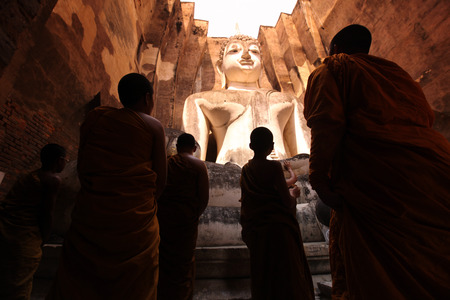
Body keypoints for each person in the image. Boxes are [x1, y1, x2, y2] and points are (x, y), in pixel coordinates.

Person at [304, 24, 450, 299]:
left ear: (334, 49)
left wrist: (319, 179)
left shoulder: (332, 69)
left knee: (381, 274)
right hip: (435, 169)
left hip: (378, 180)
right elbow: (426, 118)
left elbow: (326, 124)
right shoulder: (399, 76)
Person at [46, 73, 167, 300]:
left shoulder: (97, 117)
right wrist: (143, 204)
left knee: (81, 281)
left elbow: (84, 166)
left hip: (91, 215)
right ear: (147, 97)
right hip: (135, 219)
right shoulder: (153, 126)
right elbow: (161, 180)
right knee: (133, 286)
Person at [182, 34, 310, 167]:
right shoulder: (199, 100)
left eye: (254, 51)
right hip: (229, 174)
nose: (246, 56)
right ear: (220, 67)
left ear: (262, 67)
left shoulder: (288, 100)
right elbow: (191, 158)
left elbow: (307, 155)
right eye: (234, 50)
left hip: (282, 171)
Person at [239, 127, 315, 300]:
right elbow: (286, 201)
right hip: (278, 230)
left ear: (251, 145)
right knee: (285, 274)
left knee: (263, 274)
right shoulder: (273, 167)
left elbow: (248, 201)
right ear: (272, 146)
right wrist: (294, 195)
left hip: (257, 228)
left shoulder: (246, 169)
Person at [0, 143, 67, 300]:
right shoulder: (52, 180)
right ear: (60, 160)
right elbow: (47, 213)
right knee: (18, 285)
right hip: (25, 238)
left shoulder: (29, 176)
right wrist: (44, 237)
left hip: (7, 232)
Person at [157, 133, 209, 300]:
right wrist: (192, 215)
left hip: (164, 219)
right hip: (186, 221)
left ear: (177, 147)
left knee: (164, 264)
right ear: (195, 148)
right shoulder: (199, 165)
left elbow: (157, 190)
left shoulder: (167, 162)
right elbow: (203, 198)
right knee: (182, 267)